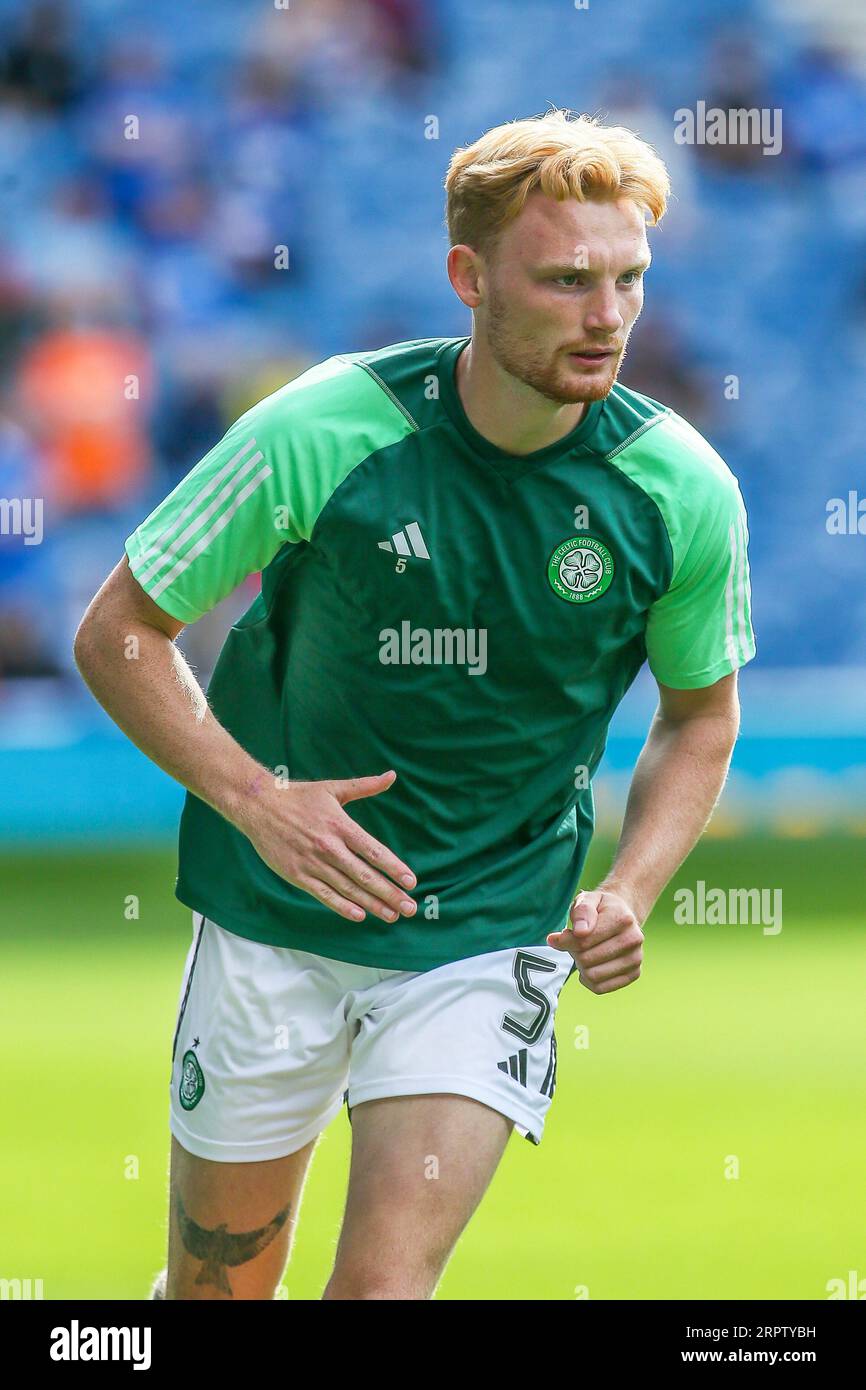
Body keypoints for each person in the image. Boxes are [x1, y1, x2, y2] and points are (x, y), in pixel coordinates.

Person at [73, 109, 755, 1301]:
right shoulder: (324, 425)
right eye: (565, 280)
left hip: (490, 931)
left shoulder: (677, 490)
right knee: (214, 1291)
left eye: (628, 278)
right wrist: (254, 799)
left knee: (382, 1292)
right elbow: (118, 631)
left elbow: (698, 716)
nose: (607, 317)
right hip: (271, 917)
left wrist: (628, 888)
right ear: (468, 277)